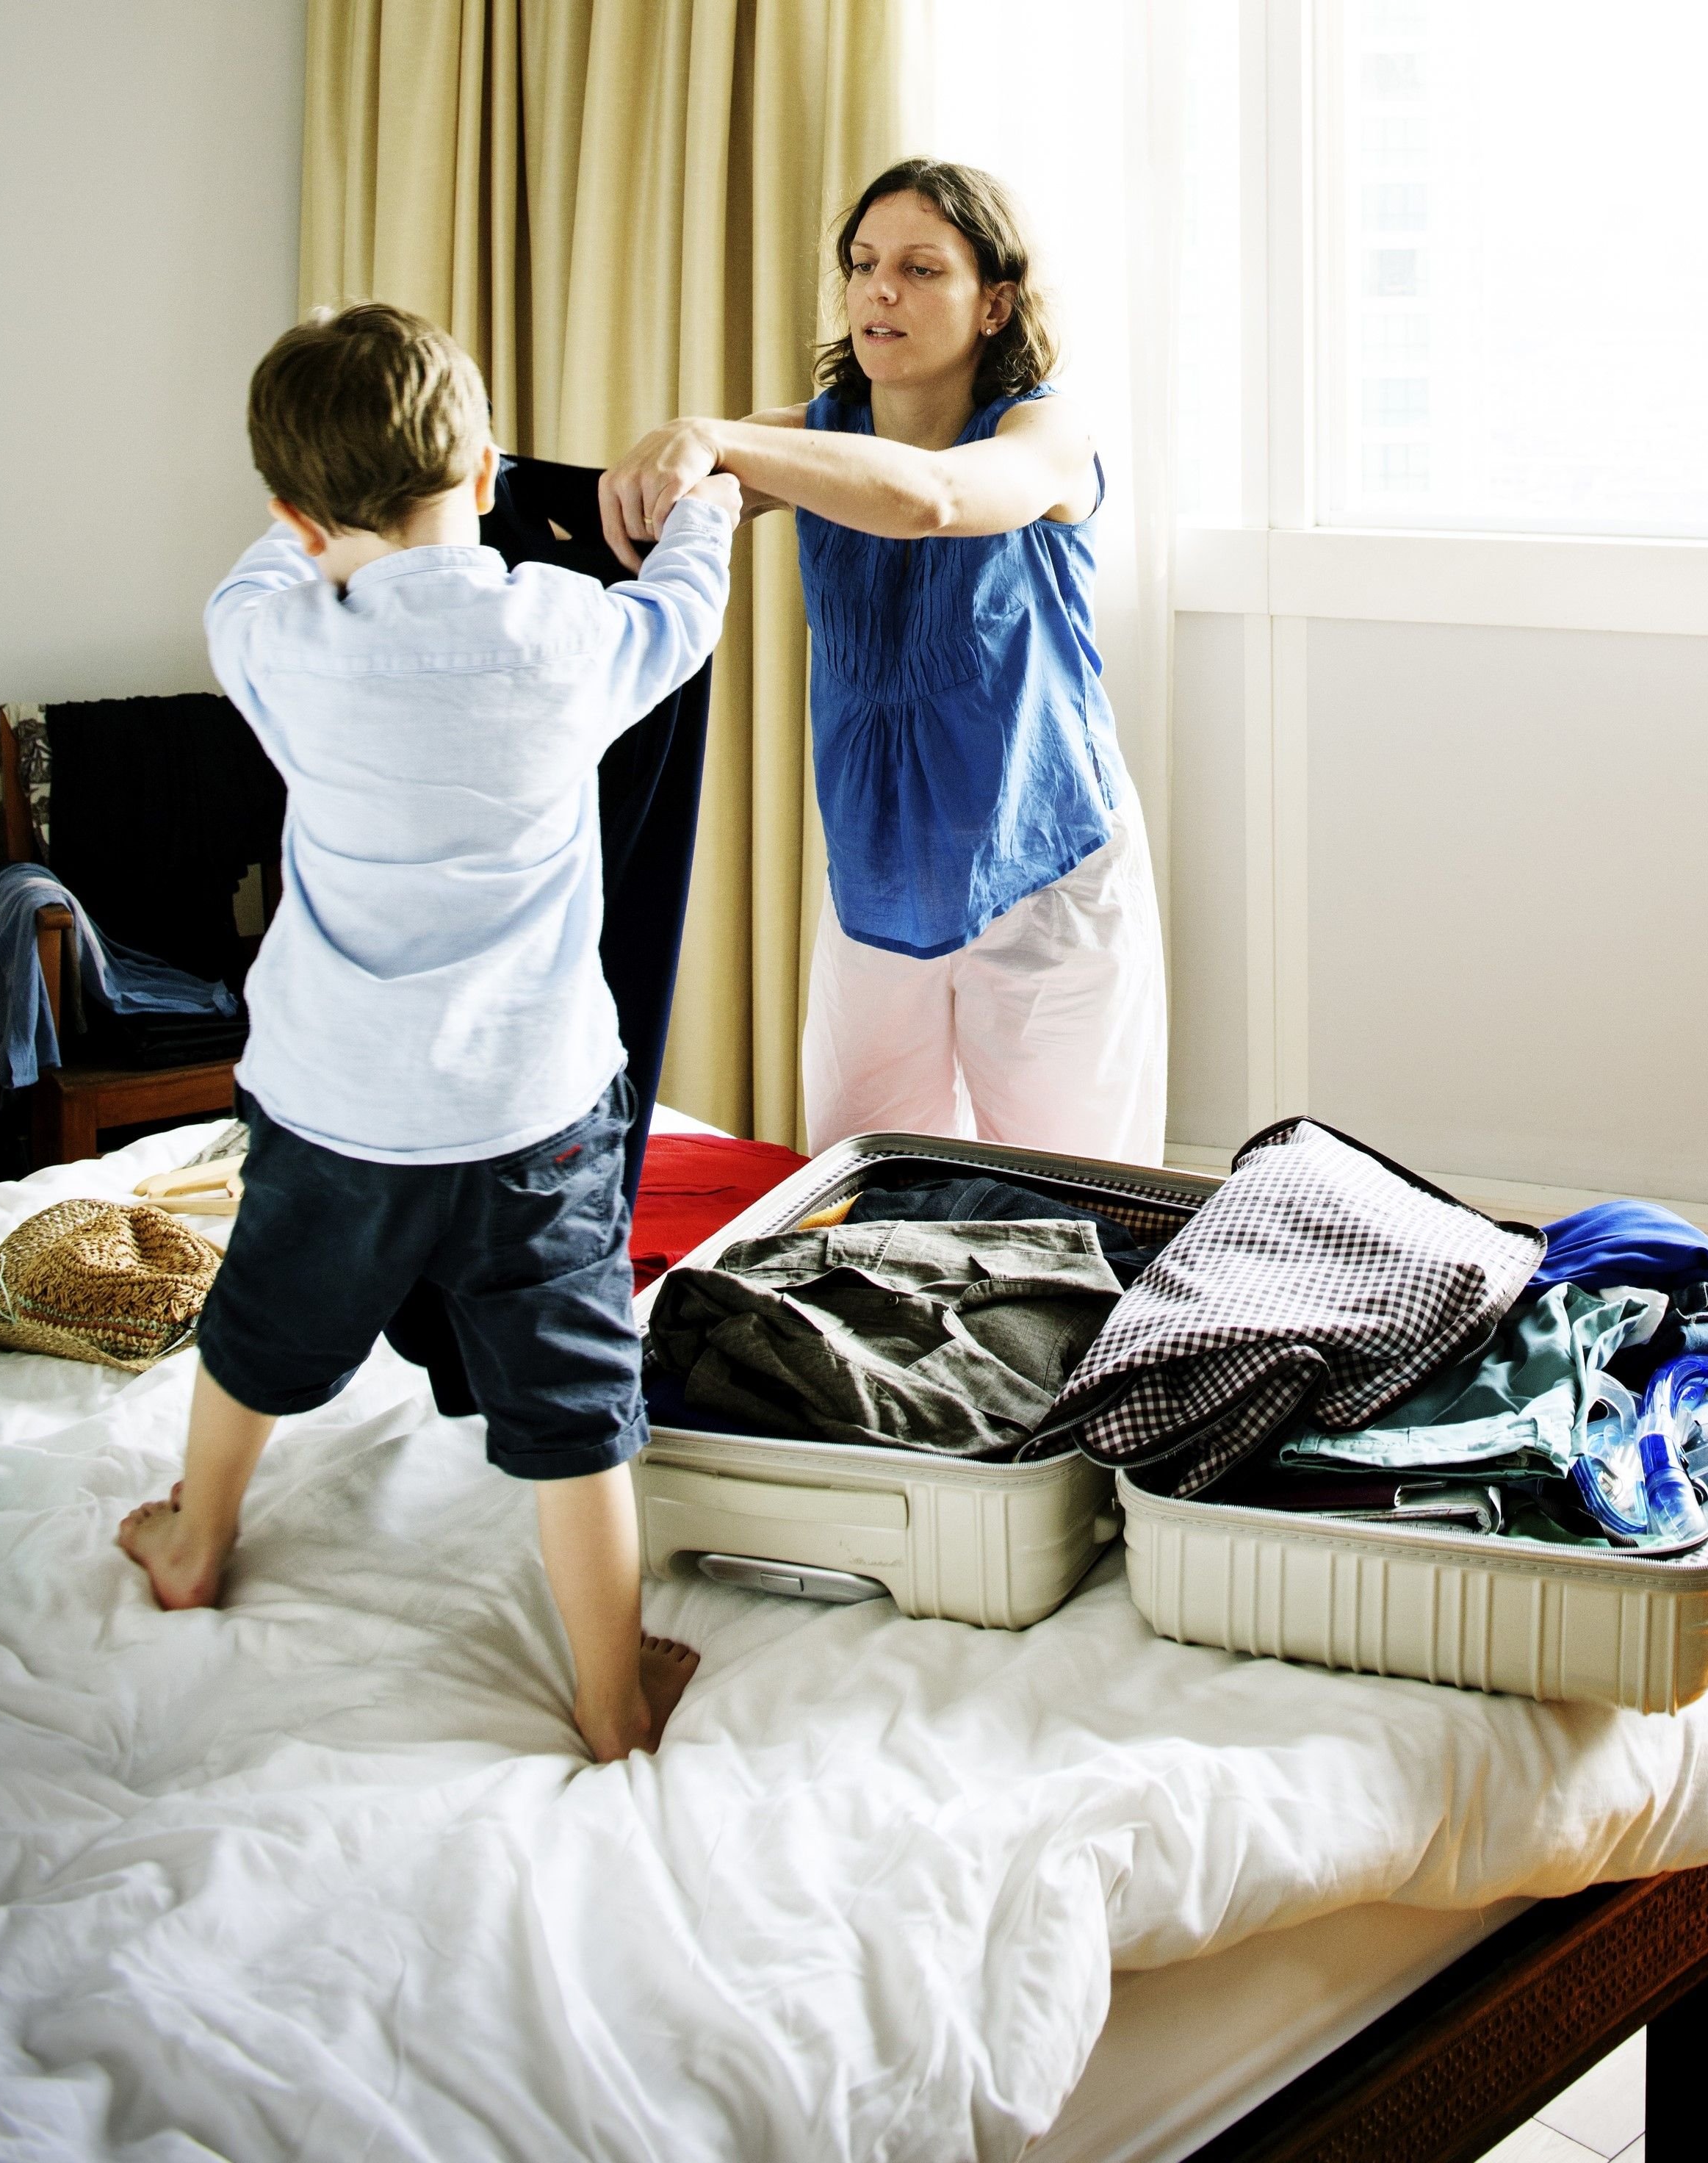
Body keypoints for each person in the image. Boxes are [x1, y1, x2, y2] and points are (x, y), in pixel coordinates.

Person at [115, 303, 740, 1763]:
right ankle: (606, 1692)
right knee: (573, 1393)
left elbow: (259, 576)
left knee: (259, 1324)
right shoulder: (566, 632)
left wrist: (299, 532)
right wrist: (703, 511)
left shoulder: (275, 643)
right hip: (534, 1108)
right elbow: (681, 615)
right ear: (482, 466)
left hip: (336, 1105)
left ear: (293, 508)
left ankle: (198, 1535)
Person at [599, 157, 1167, 1165]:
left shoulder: (1046, 432)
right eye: (862, 266)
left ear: (996, 302)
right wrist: (676, 465)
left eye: (919, 268)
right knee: (861, 1206)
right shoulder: (812, 439)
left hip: (1047, 873)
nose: (879, 292)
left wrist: (712, 438)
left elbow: (934, 500)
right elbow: (685, 485)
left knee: (1070, 1214)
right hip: (877, 881)